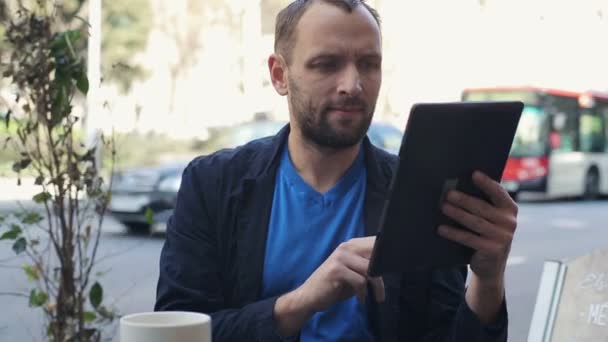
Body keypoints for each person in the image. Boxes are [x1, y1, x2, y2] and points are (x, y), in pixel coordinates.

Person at [155, 0, 517, 341]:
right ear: (280, 75)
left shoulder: (416, 191)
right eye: (327, 64)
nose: (353, 85)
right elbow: (179, 329)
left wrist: (487, 280)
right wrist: (301, 302)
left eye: (368, 64)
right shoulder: (213, 184)